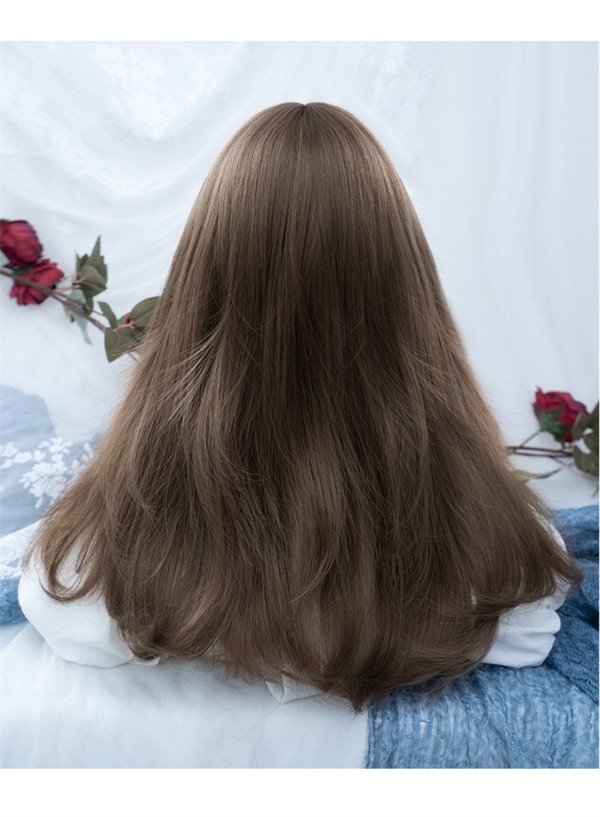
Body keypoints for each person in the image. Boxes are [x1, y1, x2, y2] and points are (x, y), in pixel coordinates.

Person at [17, 101, 581, 715]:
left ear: (202, 285)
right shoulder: (487, 544)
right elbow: (526, 629)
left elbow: (65, 612)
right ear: (407, 292)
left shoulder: (117, 536)